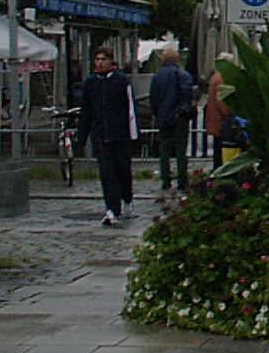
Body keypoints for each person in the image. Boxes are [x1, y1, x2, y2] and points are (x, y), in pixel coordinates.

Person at [78, 46, 138, 226]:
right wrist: (81, 137)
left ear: (111, 61)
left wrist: (133, 135)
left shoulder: (121, 81)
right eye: (97, 59)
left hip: (120, 135)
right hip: (100, 136)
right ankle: (112, 209)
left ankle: (127, 199)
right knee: (107, 174)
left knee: (123, 171)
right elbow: (86, 112)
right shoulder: (90, 83)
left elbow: (130, 109)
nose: (100, 63)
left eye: (103, 59)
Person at [149, 47, 196, 194]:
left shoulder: (157, 76)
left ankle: (165, 179)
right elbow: (188, 95)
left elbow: (153, 98)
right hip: (179, 117)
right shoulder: (183, 75)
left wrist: (158, 114)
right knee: (181, 149)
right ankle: (182, 180)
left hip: (163, 117)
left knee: (165, 149)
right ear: (176, 59)